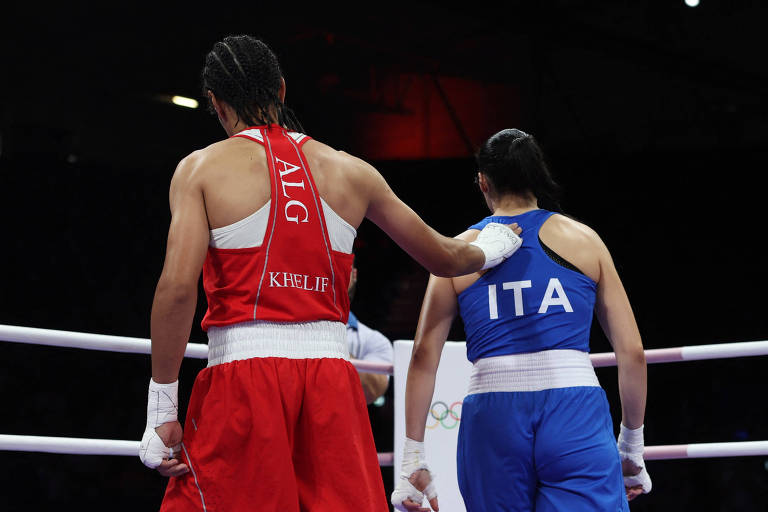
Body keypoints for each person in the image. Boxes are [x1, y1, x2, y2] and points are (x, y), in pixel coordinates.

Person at [137, 35, 522, 511]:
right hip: (333, 382)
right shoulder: (352, 171)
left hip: (244, 377)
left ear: (215, 104)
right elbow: (445, 257)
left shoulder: (200, 169)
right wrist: (496, 244)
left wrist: (162, 408)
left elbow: (177, 289)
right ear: (281, 89)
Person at [392, 129, 650, 512]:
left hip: (492, 417)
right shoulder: (585, 241)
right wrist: (631, 445)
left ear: (483, 182)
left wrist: (412, 459)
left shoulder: (458, 253)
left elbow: (423, 357)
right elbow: (632, 352)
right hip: (574, 410)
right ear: (537, 175)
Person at [347, 261, 393, 404]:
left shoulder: (374, 341)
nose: (330, 272)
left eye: (338, 264)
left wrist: (330, 340)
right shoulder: (285, 327)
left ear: (354, 274)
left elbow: (373, 391)